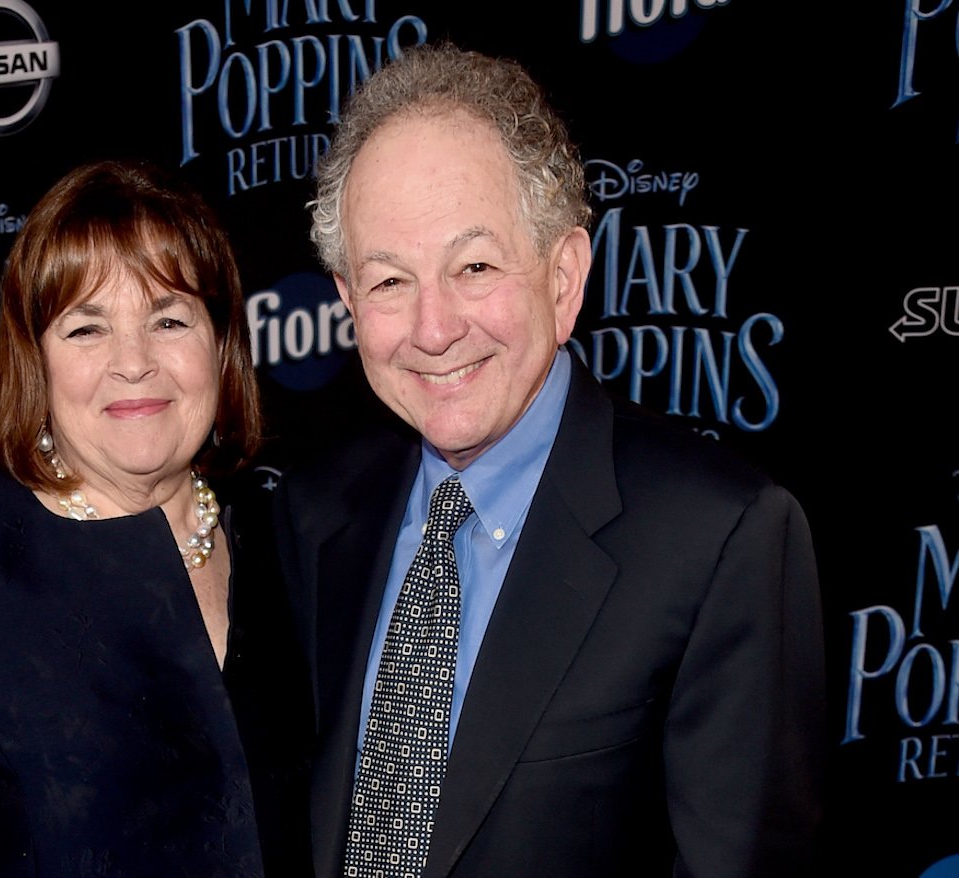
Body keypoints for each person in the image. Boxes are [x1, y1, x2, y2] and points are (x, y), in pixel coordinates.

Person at [272, 43, 825, 878]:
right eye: (389, 281)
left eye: (475, 266)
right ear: (348, 303)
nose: (432, 328)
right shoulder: (314, 517)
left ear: (564, 278)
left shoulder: (719, 539)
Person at [0, 159, 311, 877]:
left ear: (221, 345)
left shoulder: (293, 544)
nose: (134, 363)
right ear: (34, 360)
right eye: (85, 329)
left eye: (169, 319)